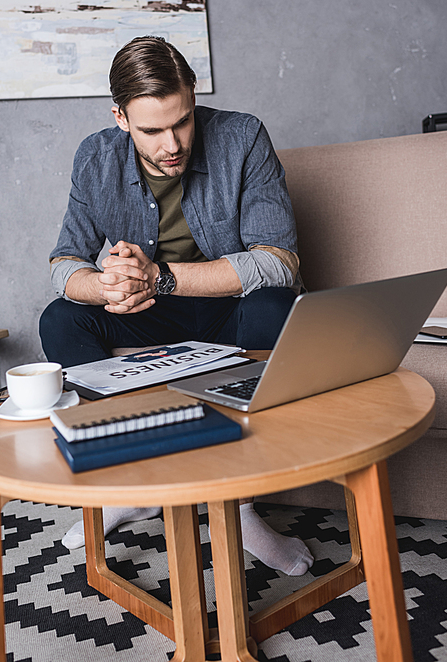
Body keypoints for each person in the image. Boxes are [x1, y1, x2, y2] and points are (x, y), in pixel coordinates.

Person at [40, 36, 313, 576]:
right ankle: (133, 483)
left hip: (226, 303)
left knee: (276, 305)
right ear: (120, 117)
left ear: (193, 97)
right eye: (152, 129)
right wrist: (105, 287)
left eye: (182, 121)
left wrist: (158, 278)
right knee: (61, 319)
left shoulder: (242, 136)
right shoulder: (94, 156)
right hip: (148, 312)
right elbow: (63, 264)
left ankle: (238, 507)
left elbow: (280, 261)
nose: (173, 143)